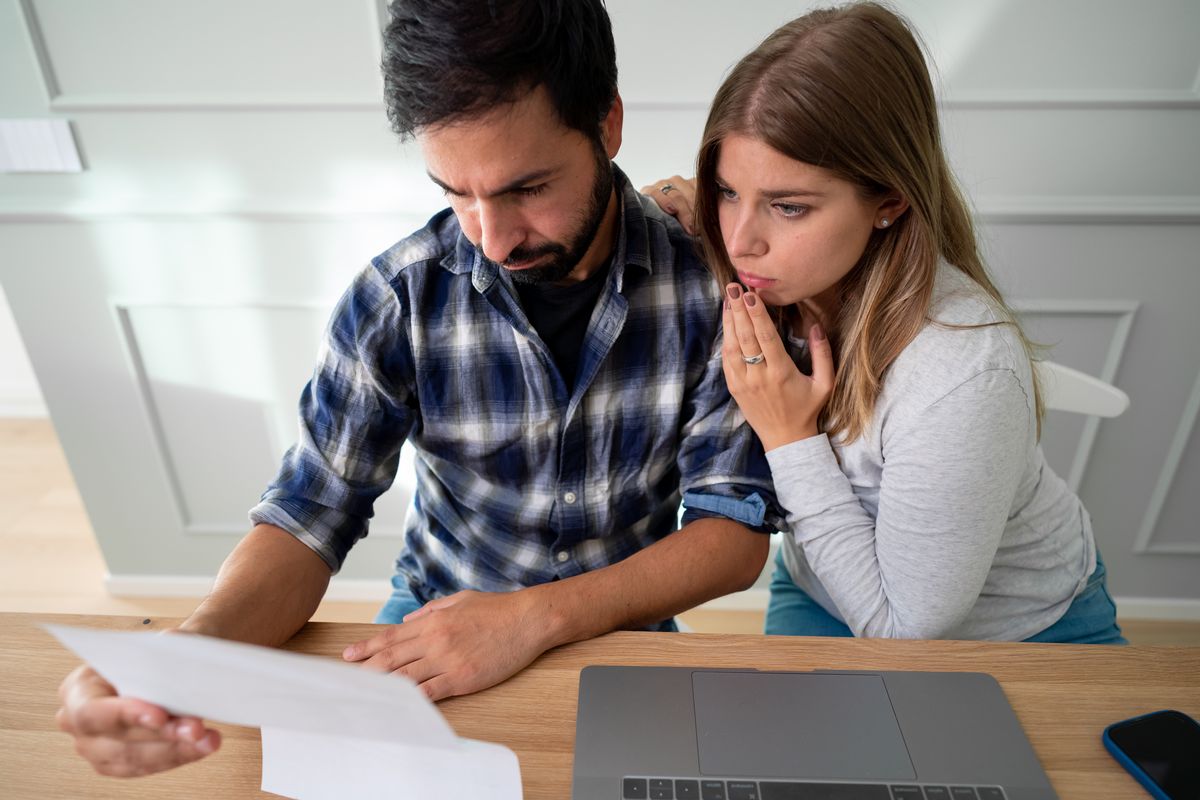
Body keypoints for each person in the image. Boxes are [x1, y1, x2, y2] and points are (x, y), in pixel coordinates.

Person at [56, 0, 783, 777]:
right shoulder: (396, 298)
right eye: (455, 192)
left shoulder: (713, 291)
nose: (492, 237)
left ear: (607, 125)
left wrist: (531, 619)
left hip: (624, 629)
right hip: (431, 621)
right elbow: (307, 517)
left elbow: (731, 535)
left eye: (526, 188)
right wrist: (192, 654)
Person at [645, 2, 1125, 644]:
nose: (741, 241)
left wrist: (790, 438)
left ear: (889, 202)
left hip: (1018, 632)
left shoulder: (962, 371)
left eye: (788, 207)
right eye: (729, 192)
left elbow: (905, 631)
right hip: (822, 591)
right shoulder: (778, 268)